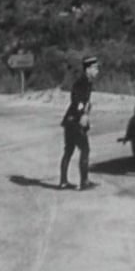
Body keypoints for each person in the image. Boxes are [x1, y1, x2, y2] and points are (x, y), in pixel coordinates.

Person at [59, 56, 100, 190]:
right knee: (85, 149)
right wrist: (83, 115)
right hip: (75, 121)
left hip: (69, 120)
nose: (97, 70)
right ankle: (84, 182)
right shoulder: (83, 82)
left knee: (69, 150)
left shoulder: (86, 81)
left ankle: (63, 182)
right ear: (88, 69)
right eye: (95, 68)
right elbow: (77, 99)